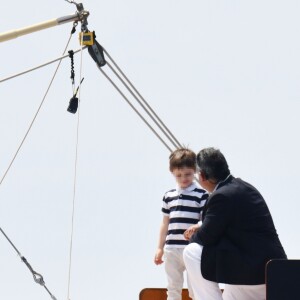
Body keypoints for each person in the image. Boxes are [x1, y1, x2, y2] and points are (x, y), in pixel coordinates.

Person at [183, 147, 287, 300]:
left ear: (203, 176)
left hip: (252, 274)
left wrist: (194, 234)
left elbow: (205, 238)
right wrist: (202, 226)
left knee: (192, 251)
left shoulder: (221, 196)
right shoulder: (244, 187)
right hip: (272, 272)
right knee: (230, 293)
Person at [154, 147, 209, 300]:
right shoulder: (168, 196)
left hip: (191, 249)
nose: (183, 178)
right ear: (172, 173)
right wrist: (159, 247)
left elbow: (205, 220)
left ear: (195, 171)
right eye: (179, 175)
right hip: (171, 248)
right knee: (173, 287)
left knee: (195, 289)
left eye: (188, 174)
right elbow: (165, 223)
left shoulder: (201, 195)